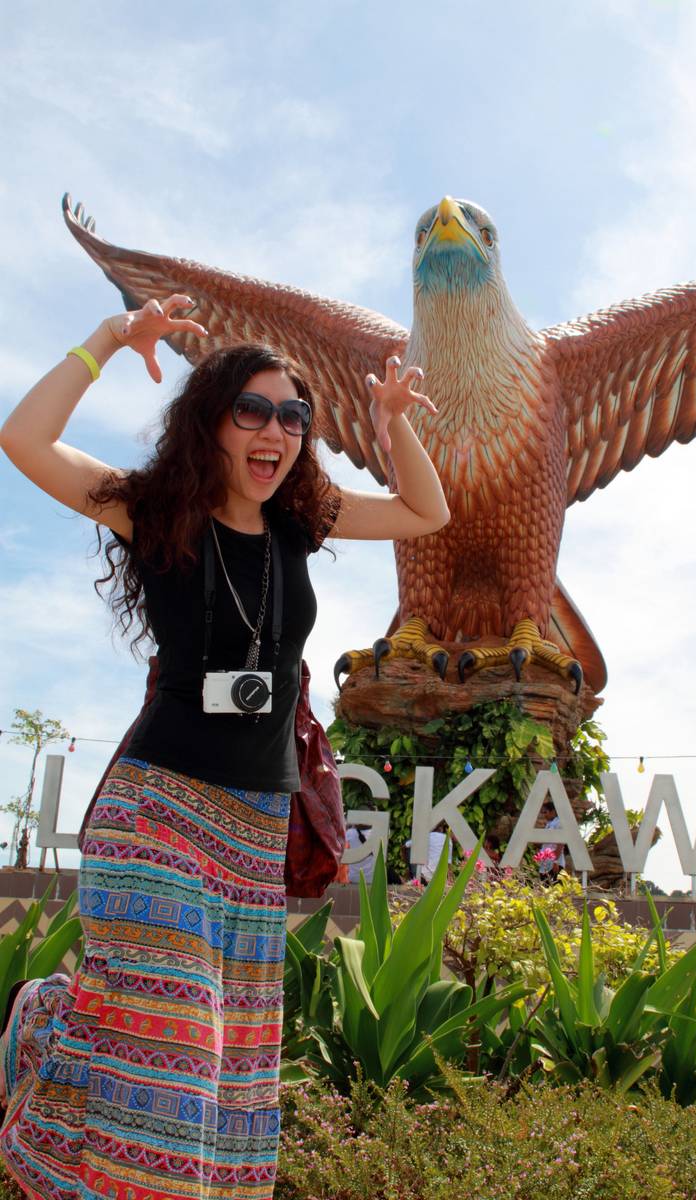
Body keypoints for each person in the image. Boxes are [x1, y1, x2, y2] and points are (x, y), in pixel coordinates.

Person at [0, 295, 449, 1200]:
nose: (274, 431)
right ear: (209, 420)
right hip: (157, 814)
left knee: (221, 1069)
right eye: (252, 410)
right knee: (179, 1049)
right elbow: (24, 440)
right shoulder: (154, 511)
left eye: (293, 416)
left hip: (254, 827)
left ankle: (48, 1022)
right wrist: (109, 339)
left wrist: (392, 422)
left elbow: (424, 513)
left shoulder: (301, 523)